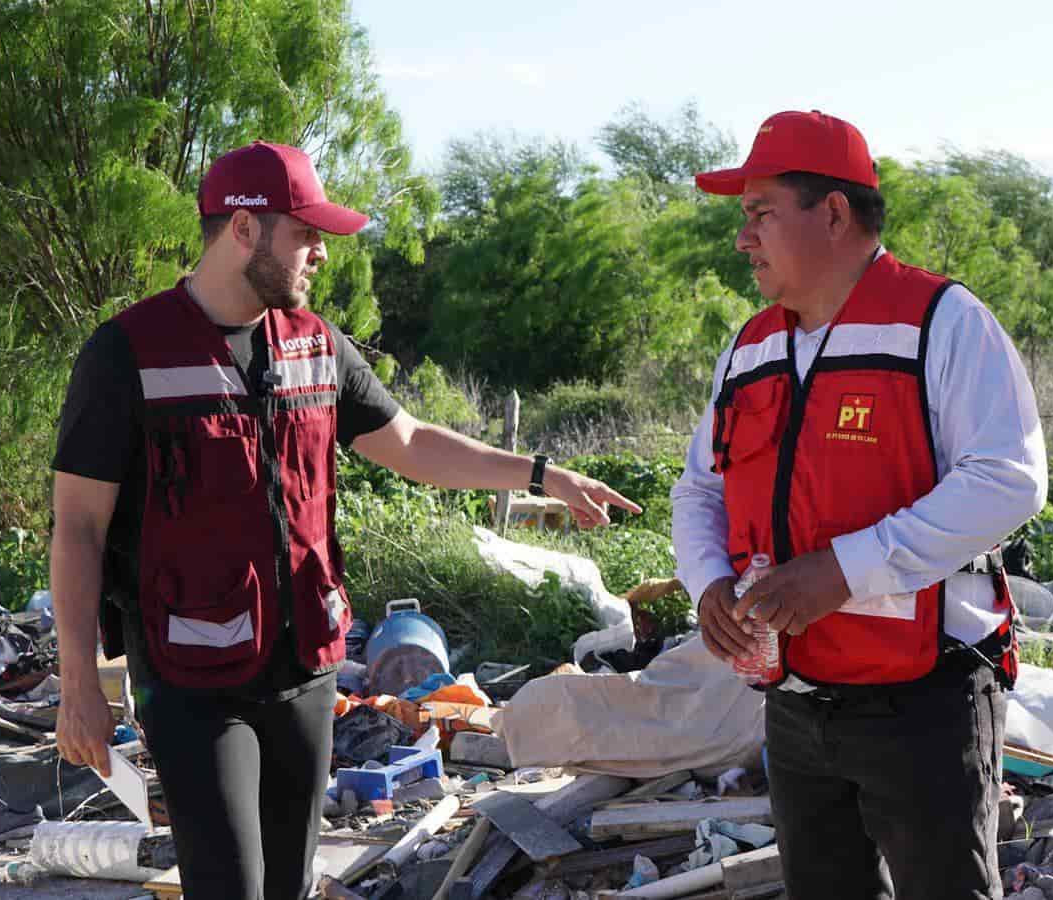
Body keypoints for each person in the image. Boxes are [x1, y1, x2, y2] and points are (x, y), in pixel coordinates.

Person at [50, 140, 641, 900]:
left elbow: (413, 444)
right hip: (192, 677)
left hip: (305, 668)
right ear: (243, 229)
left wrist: (542, 475)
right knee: (228, 885)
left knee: (292, 886)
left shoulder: (317, 347)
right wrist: (78, 684)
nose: (321, 254)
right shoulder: (126, 353)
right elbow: (77, 529)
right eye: (306, 233)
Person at [670, 111, 1047, 900]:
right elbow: (701, 487)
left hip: (924, 704)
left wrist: (845, 570)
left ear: (834, 213)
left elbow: (1010, 479)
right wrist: (707, 582)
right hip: (796, 707)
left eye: (761, 212)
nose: (744, 239)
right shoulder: (750, 348)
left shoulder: (942, 323)